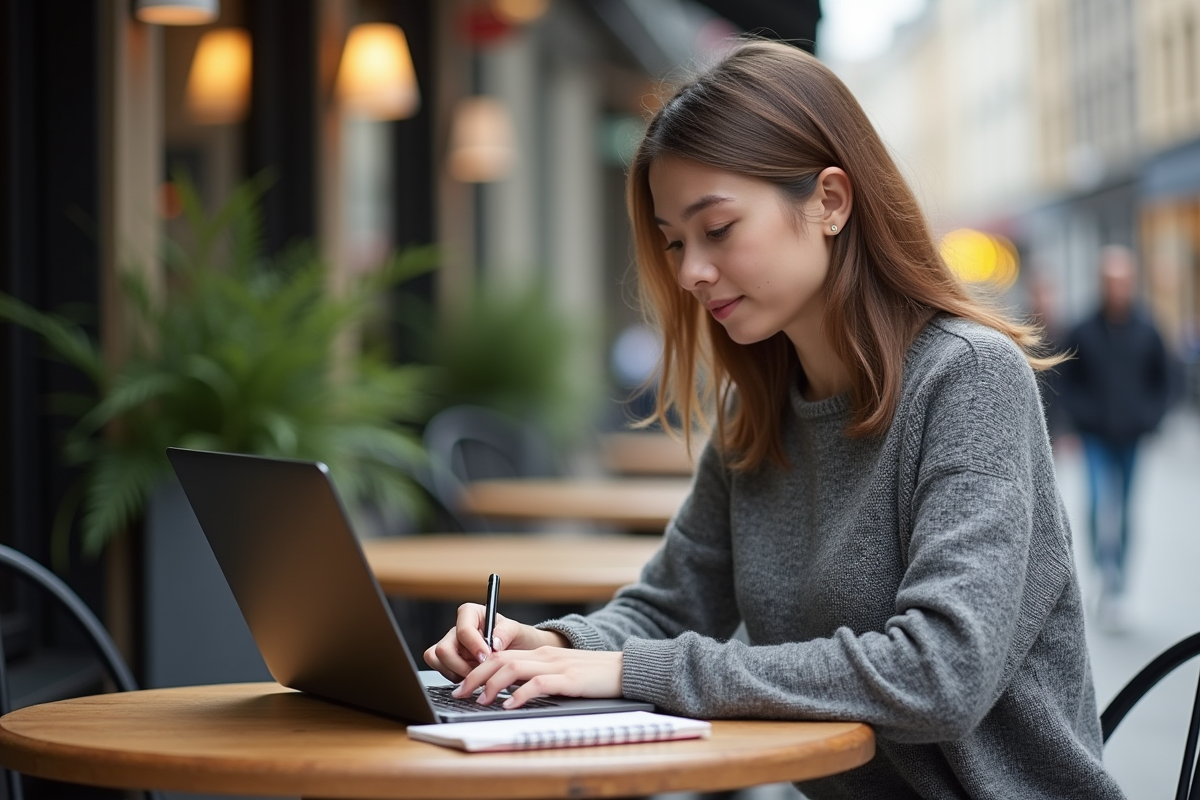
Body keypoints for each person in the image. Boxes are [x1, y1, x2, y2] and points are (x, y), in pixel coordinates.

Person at [425, 40, 1125, 799]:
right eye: (674, 243)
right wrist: (552, 645)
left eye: (717, 229)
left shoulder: (967, 378)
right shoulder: (758, 407)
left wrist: (628, 670)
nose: (690, 271)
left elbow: (939, 672)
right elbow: (673, 601)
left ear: (829, 201)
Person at [1059, 246, 1171, 632]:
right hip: (1095, 436)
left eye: (1123, 281)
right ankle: (1103, 571)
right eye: (1111, 281)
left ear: (1132, 283)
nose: (1117, 288)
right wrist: (1078, 419)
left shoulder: (1148, 328)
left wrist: (1151, 418)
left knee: (1124, 508)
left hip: (1131, 437)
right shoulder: (1084, 328)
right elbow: (1067, 379)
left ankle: (1119, 581)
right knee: (1094, 502)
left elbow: (1165, 379)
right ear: (1102, 284)